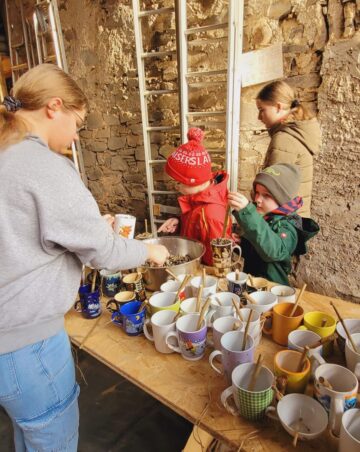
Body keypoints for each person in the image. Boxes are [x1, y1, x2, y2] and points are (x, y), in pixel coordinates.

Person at [0, 64, 169, 451]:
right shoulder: (44, 166)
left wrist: (89, 227)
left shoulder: (5, 154)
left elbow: (21, 238)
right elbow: (106, 252)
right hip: (29, 346)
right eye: (78, 122)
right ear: (53, 107)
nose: (76, 136)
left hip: (6, 345)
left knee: (29, 436)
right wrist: (149, 250)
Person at [228, 163, 319, 285]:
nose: (257, 199)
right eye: (257, 192)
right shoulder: (265, 218)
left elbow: (272, 251)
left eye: (267, 195)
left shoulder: (288, 226)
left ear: (282, 200)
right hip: (254, 284)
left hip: (273, 289)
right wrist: (242, 243)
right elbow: (259, 248)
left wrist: (247, 212)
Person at [157, 127, 231, 265]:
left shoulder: (211, 214)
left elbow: (217, 260)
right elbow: (196, 225)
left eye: (179, 183)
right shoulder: (199, 199)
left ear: (192, 181)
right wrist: (178, 221)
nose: (176, 187)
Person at [256, 80, 321, 217]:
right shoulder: (295, 133)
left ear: (278, 107)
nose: (259, 117)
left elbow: (271, 190)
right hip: (294, 219)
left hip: (282, 223)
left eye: (262, 110)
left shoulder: (284, 139)